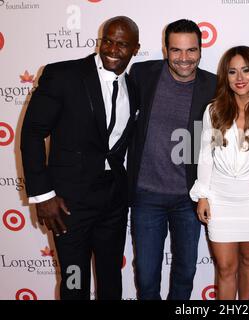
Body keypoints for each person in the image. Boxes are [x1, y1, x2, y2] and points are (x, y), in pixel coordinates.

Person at [20, 16, 140, 300]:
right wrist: (43, 194)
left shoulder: (133, 89)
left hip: (113, 202)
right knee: (74, 280)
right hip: (68, 204)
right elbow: (32, 134)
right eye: (108, 41)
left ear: (135, 49)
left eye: (122, 44)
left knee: (111, 277)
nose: (112, 49)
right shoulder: (63, 75)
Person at [128, 19, 217, 300]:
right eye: (176, 50)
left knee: (185, 272)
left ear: (201, 51)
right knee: (145, 272)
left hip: (188, 197)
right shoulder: (142, 74)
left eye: (191, 51)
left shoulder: (214, 86)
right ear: (165, 50)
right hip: (146, 194)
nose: (184, 58)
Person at [190, 46, 249, 300]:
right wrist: (203, 196)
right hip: (221, 200)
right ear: (225, 77)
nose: (239, 77)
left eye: (246, 70)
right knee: (226, 267)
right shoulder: (213, 111)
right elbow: (205, 155)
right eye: (232, 71)